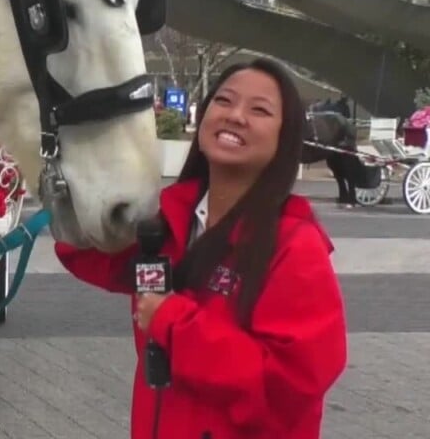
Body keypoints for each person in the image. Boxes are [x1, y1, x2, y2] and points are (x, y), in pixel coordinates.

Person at [55, 59, 347, 439]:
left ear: (284, 139)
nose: (236, 116)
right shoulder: (165, 221)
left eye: (259, 110)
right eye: (224, 101)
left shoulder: (294, 247)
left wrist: (174, 324)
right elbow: (86, 250)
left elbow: (288, 387)